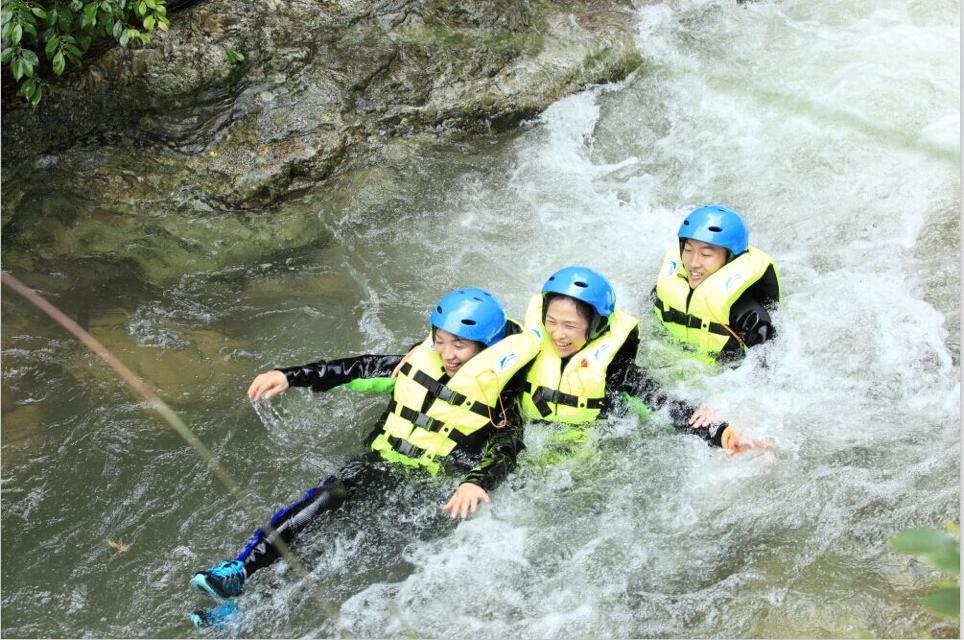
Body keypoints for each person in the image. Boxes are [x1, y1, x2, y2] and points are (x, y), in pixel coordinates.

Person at [188, 287, 540, 627]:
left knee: (345, 554)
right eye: (441, 341)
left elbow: (507, 447)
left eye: (459, 346)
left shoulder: (500, 399)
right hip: (378, 466)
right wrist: (290, 376)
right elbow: (354, 370)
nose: (447, 354)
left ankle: (242, 614)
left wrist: (475, 483)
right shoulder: (415, 362)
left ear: (486, 346)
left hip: (429, 488)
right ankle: (238, 571)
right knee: (323, 501)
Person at [521, 266, 756, 453]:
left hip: (590, 456)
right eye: (551, 322)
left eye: (570, 326)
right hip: (530, 447)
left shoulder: (613, 368)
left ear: (596, 327)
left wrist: (721, 434)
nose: (558, 334)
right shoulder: (525, 351)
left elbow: (662, 402)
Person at [651, 205, 781, 365]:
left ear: (731, 258)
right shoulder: (670, 284)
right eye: (688, 249)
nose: (693, 263)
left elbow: (768, 370)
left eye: (706, 254)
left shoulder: (746, 312)